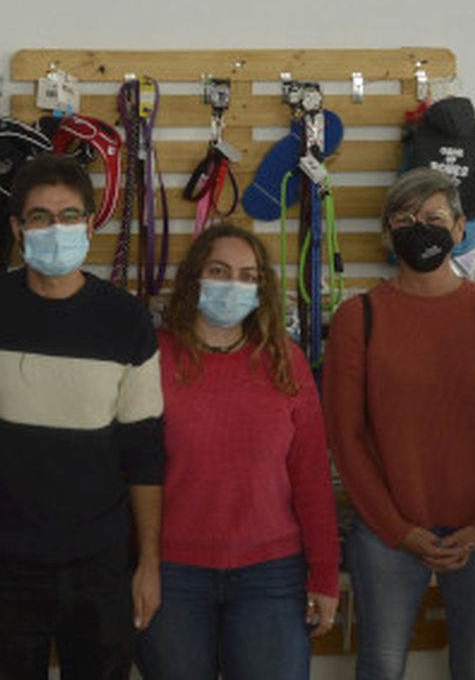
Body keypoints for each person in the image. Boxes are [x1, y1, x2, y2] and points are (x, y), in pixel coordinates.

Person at [323, 168, 475, 680]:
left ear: (460, 227)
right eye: (404, 219)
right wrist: (398, 529)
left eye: (433, 217)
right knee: (381, 666)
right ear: (388, 233)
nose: (418, 227)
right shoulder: (359, 318)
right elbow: (346, 436)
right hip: (388, 533)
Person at [0, 154, 164, 679]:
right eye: (40, 217)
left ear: (91, 225)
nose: (56, 228)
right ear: (17, 229)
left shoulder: (127, 320)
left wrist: (149, 562)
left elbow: (144, 455)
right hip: (6, 563)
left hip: (100, 564)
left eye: (70, 215)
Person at [135, 224, 339, 680]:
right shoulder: (154, 358)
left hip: (272, 575)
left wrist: (325, 576)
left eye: (248, 276)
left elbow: (311, 479)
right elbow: (131, 472)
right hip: (173, 573)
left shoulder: (286, 361)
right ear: (195, 277)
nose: (233, 284)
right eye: (219, 271)